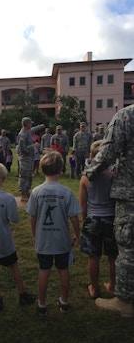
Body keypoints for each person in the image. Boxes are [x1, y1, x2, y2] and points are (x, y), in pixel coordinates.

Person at [85, 104, 134, 318]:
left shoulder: (127, 115)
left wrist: (89, 172)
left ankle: (124, 301)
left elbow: (108, 152)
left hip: (129, 196)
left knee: (127, 249)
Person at [25, 150, 81, 315]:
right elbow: (74, 217)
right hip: (62, 240)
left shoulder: (36, 192)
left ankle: (41, 304)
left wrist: (35, 235)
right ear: (60, 170)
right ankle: (64, 302)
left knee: (44, 270)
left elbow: (33, 217)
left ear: (42, 170)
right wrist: (77, 234)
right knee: (63, 269)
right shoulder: (66, 192)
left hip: (43, 240)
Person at [0, 162, 35, 312]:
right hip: (5, 240)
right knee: (14, 265)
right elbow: (14, 219)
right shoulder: (8, 198)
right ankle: (22, 294)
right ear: (4, 177)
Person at [79, 140, 117, 300]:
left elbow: (82, 203)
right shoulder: (113, 176)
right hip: (111, 219)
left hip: (92, 219)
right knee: (112, 257)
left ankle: (94, 288)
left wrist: (85, 220)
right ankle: (113, 286)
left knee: (93, 257)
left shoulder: (85, 178)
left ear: (91, 156)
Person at [17, 117, 45, 201]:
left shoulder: (28, 131)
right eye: (30, 123)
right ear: (27, 124)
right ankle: (23, 193)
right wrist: (33, 146)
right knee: (24, 176)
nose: (31, 124)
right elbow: (23, 149)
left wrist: (40, 126)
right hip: (25, 159)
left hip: (30, 158)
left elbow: (33, 129)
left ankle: (27, 191)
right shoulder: (22, 135)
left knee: (29, 175)